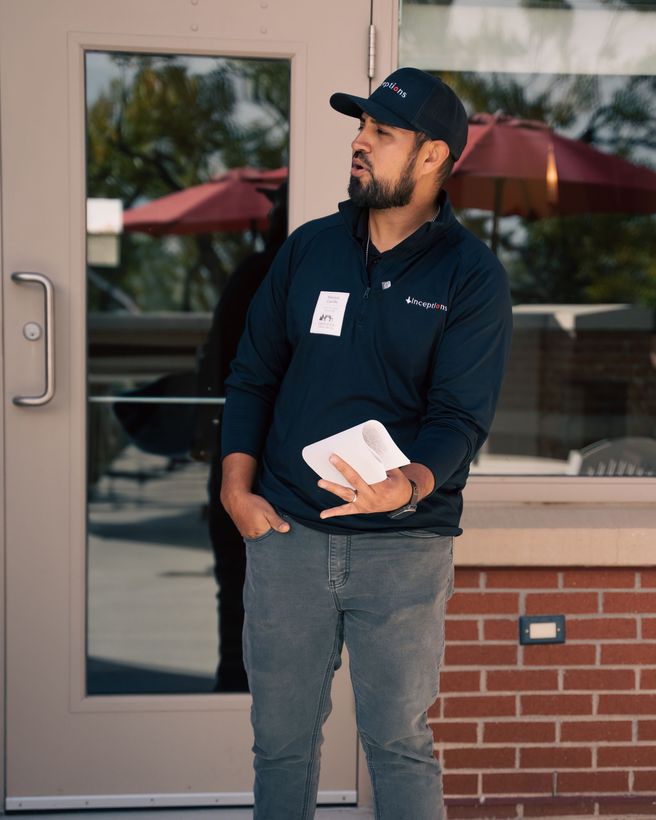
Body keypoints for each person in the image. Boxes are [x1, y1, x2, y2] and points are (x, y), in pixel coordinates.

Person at [220, 67, 513, 820]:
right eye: (361, 127)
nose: (360, 141)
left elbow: (459, 418)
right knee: (280, 745)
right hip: (287, 534)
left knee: (399, 745)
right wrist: (235, 490)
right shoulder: (309, 250)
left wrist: (407, 485)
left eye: (382, 133)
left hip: (404, 547)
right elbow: (253, 375)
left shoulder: (471, 276)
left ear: (432, 156)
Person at [193, 182, 288, 691]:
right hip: (263, 452)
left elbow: (216, 357)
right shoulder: (278, 275)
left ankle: (232, 683)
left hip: (235, 444)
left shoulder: (249, 274)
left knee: (235, 586)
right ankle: (244, 688)